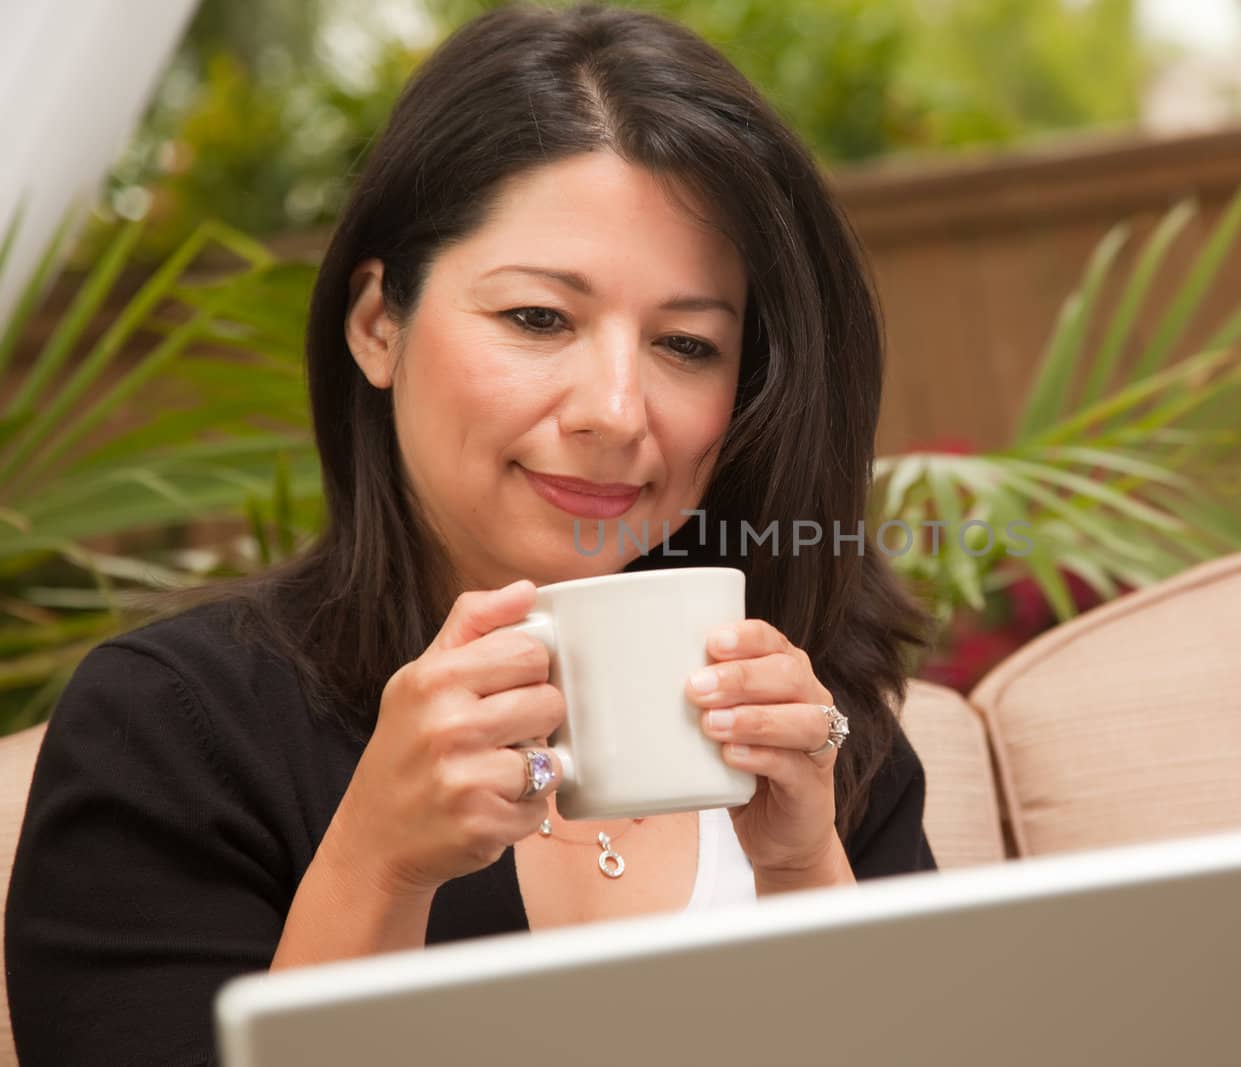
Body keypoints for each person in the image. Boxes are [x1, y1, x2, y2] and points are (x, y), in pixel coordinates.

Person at [4, 3, 938, 1063]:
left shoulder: (815, 728)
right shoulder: (173, 729)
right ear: (376, 325)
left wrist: (804, 868)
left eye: (685, 342)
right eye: (538, 318)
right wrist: (375, 864)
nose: (616, 410)